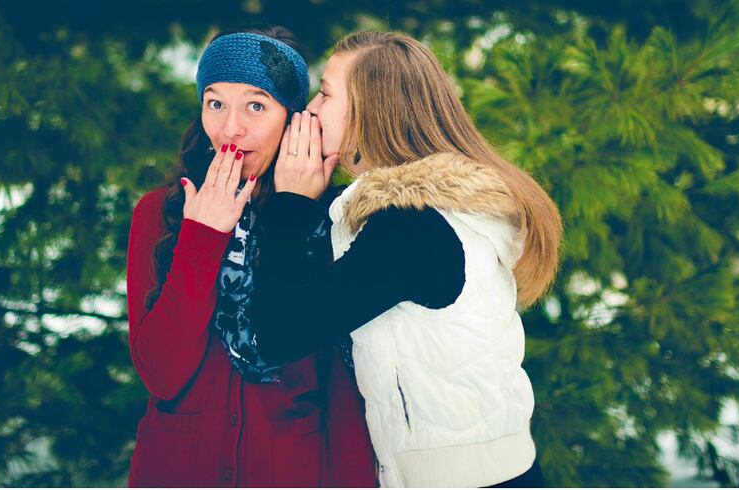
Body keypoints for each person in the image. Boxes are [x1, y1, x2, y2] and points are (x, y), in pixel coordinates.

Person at [240, 31, 563, 487]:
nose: (310, 108)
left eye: (327, 93)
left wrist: (290, 204)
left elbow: (277, 333)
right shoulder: (442, 214)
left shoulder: (411, 229)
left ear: (370, 110)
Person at [124, 27, 375, 487]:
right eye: (215, 103)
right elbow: (161, 374)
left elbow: (343, 393)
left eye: (256, 105)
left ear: (293, 119)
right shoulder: (160, 213)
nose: (230, 128)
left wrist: (294, 214)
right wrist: (201, 238)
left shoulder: (332, 217)